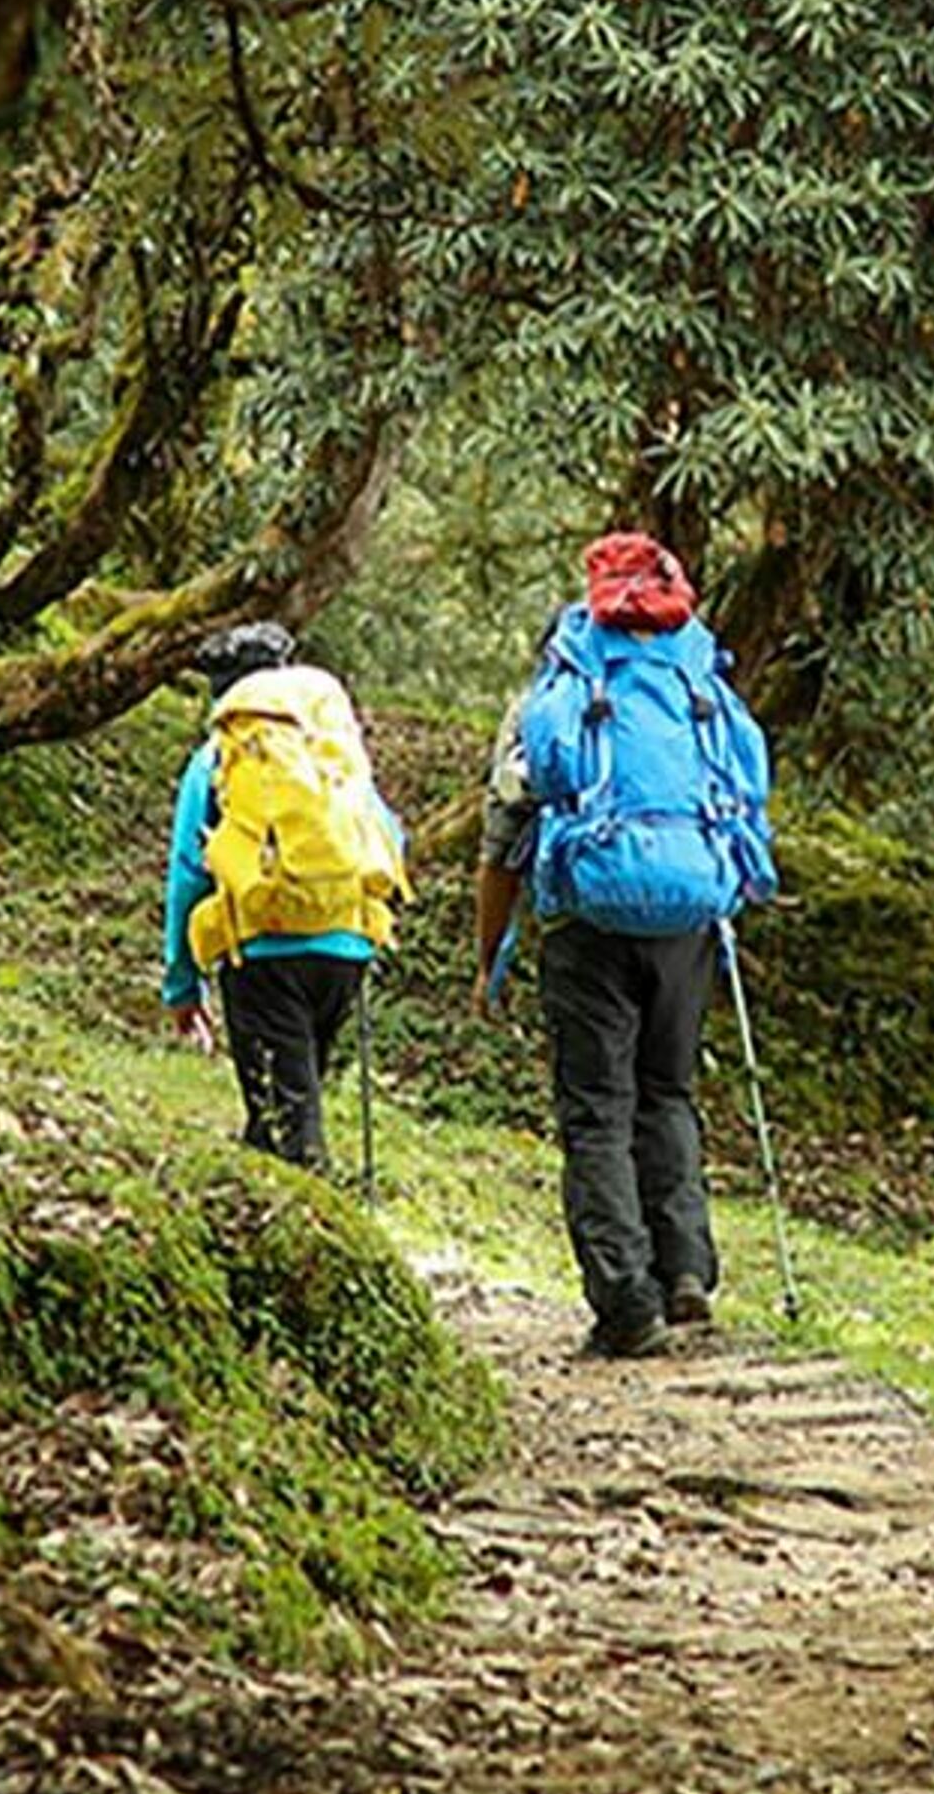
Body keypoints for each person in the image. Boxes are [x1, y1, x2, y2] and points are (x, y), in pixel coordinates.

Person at [474, 533, 775, 1356]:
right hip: (688, 917)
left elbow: (504, 833)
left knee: (598, 1113)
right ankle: (685, 1273)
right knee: (667, 1094)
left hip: (587, 921)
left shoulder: (565, 678)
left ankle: (624, 1305)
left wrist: (490, 954)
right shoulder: (698, 679)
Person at [161, 617, 404, 1172]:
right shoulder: (330, 749)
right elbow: (387, 836)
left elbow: (187, 873)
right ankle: (261, 1197)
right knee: (287, 1102)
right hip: (345, 947)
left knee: (289, 1123)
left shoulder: (217, 758)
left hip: (263, 952)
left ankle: (317, 1234)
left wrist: (182, 982)